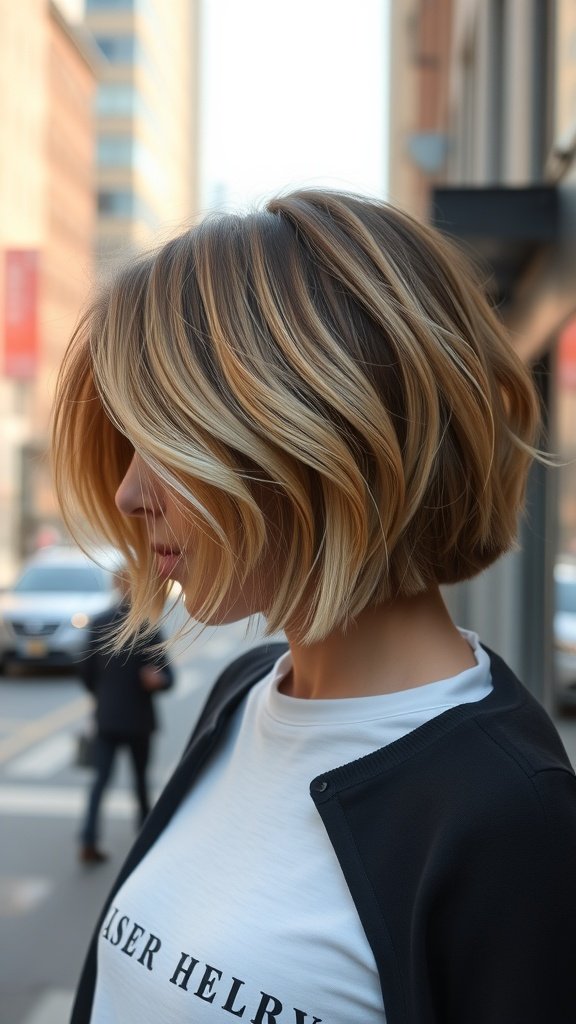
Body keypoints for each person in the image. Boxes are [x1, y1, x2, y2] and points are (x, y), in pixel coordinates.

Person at [52, 190, 576, 1023]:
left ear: (323, 435)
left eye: (168, 440)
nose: (127, 492)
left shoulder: (513, 814)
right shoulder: (243, 697)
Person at [78, 572, 174, 864]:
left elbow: (85, 674)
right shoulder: (146, 626)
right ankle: (144, 843)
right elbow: (169, 677)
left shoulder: (100, 622)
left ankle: (88, 840)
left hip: (107, 718)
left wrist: (104, 696)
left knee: (101, 781)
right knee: (140, 782)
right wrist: (157, 681)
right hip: (137, 718)